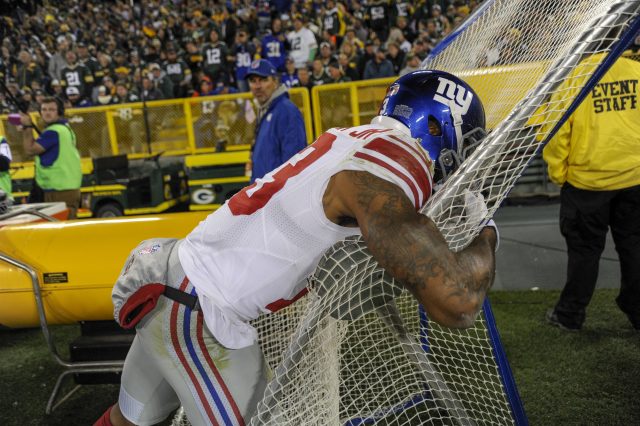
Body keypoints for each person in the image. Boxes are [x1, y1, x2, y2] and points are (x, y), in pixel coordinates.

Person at [95, 70, 498, 426]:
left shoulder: (353, 138)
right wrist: (485, 224)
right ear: (438, 127)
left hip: (177, 281)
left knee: (127, 419)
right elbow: (457, 301)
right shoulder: (398, 160)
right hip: (202, 311)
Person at [544, 54, 640, 331]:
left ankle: (570, 315)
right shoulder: (635, 69)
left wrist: (559, 175)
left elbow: (556, 132)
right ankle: (636, 309)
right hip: (634, 177)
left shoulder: (576, 77)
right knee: (634, 246)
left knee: (584, 252)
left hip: (587, 184)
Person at [245, 59, 307, 183]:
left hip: (277, 199)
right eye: (253, 81)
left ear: (275, 81)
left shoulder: (286, 111)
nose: (257, 86)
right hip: (264, 197)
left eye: (263, 80)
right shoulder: (266, 111)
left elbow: (294, 166)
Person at [19, 97, 82, 218]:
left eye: (52, 109)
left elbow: (30, 150)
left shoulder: (53, 132)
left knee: (59, 232)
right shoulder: (64, 129)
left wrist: (27, 127)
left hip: (59, 190)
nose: (47, 112)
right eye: (44, 109)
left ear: (59, 112)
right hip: (66, 188)